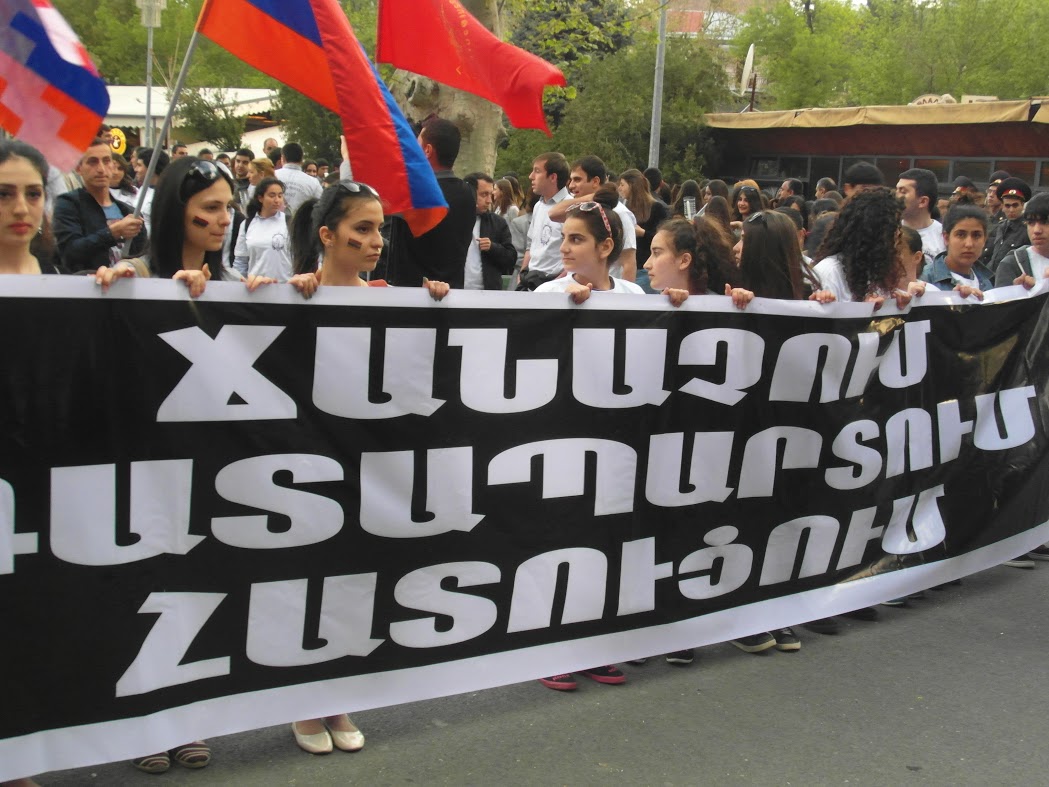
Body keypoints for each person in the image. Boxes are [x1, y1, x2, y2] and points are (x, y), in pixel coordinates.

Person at [385, 117, 476, 288]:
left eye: (416, 144)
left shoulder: (416, 193)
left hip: (412, 299)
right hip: (452, 295)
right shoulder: (468, 193)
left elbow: (364, 203)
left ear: (427, 150)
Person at [52, 138, 146, 272]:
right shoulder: (68, 204)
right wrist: (113, 233)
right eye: (92, 162)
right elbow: (69, 252)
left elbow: (141, 257)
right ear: (79, 168)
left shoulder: (128, 211)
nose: (101, 169)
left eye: (106, 161)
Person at [813, 188, 917, 308]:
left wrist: (902, 302)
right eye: (893, 226)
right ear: (873, 232)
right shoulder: (829, 272)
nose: (898, 233)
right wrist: (865, 311)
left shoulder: (876, 273)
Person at [548, 154, 638, 281]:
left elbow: (628, 262)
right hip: (575, 289)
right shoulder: (582, 207)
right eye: (571, 180)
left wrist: (623, 298)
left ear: (595, 181)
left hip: (605, 293)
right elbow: (553, 213)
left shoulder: (619, 212)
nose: (571, 186)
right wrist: (594, 198)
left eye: (577, 180)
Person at [645, 216, 740, 312]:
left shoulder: (719, 307)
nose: (646, 265)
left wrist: (739, 305)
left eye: (657, 253)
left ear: (684, 261)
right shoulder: (647, 304)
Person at [519, 151, 571, 290]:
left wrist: (556, 283)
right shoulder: (538, 205)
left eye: (537, 171)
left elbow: (576, 252)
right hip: (531, 282)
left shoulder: (571, 207)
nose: (531, 176)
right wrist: (522, 274)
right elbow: (531, 244)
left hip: (556, 285)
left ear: (553, 177)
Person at [919, 205, 994, 292]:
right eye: (960, 235)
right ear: (946, 238)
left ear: (984, 239)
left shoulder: (987, 282)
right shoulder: (925, 281)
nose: (969, 244)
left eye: (976, 235)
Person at [462, 172, 516, 290]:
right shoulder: (453, 220)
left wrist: (493, 247)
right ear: (469, 193)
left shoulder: (498, 223)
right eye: (484, 194)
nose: (489, 201)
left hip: (488, 294)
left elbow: (511, 258)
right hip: (455, 292)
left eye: (491, 195)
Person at [618, 167, 669, 291]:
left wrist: (643, 233)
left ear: (632, 185)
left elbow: (665, 240)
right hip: (627, 267)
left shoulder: (657, 208)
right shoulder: (624, 209)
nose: (619, 188)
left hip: (646, 268)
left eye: (622, 184)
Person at [233, 176, 292, 280]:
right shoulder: (247, 224)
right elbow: (240, 262)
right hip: (256, 288)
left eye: (280, 196)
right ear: (260, 198)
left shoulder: (289, 223)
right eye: (272, 195)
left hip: (285, 288)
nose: (277, 200)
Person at [982, 177, 1031, 272]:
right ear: (1002, 207)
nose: (1011, 210)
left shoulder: (1027, 229)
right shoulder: (1000, 227)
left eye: (1015, 205)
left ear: (1022, 206)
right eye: (1007, 206)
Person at [897, 168, 945, 261]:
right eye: (897, 190)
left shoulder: (944, 237)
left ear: (923, 201)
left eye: (903, 192)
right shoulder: (890, 233)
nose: (896, 196)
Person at [276, 142, 322, 214]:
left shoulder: (271, 176)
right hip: (301, 223)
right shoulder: (313, 182)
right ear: (302, 160)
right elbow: (321, 207)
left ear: (283, 158)